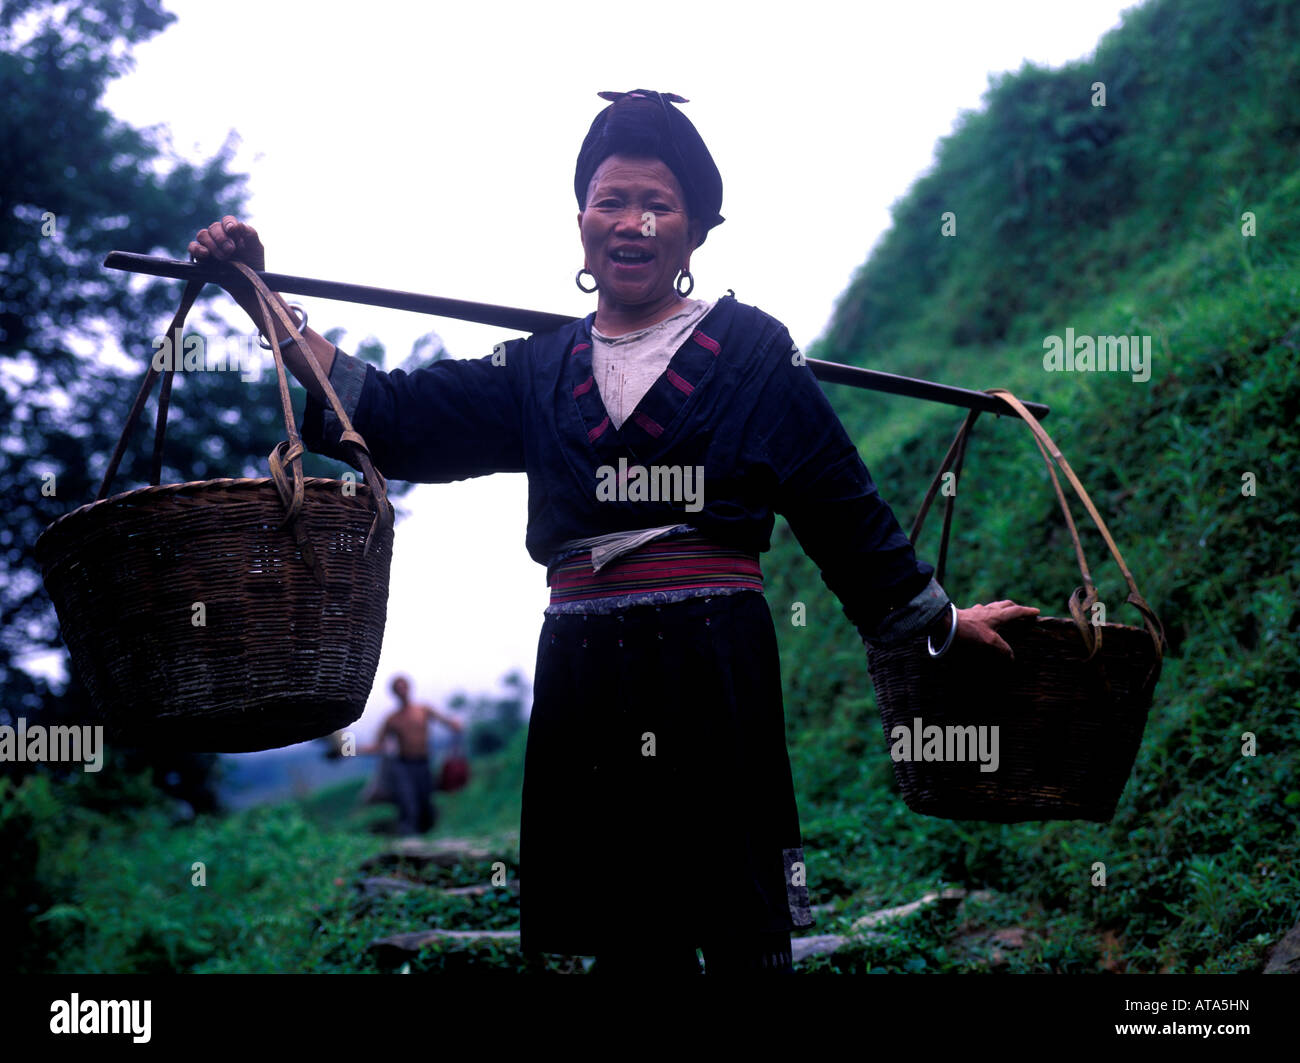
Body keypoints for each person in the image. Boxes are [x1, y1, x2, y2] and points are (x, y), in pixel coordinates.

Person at [187, 89, 1038, 974]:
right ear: (582, 217)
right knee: (626, 945)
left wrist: (940, 623)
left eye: (658, 204)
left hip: (715, 663)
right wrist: (262, 301)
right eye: (610, 200)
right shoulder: (537, 366)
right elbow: (394, 417)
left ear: (698, 227)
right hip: (586, 668)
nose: (631, 223)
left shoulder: (753, 352)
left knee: (740, 929)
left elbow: (843, 509)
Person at [357, 675, 464, 835]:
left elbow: (447, 722)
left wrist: (455, 724)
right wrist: (350, 749)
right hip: (404, 766)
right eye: (397, 688)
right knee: (408, 802)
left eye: (403, 686)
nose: (402, 690)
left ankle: (429, 836)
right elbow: (378, 745)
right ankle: (408, 837)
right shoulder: (392, 719)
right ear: (394, 693)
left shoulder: (423, 710)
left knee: (426, 801)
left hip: (424, 762)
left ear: (409, 688)